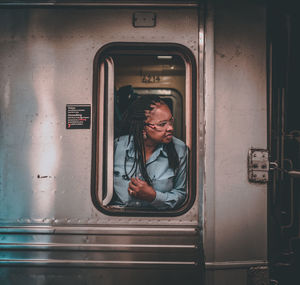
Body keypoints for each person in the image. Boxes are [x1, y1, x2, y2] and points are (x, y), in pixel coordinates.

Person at [112, 95, 188, 210]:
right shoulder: (117, 147)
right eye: (162, 124)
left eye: (170, 121)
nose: (170, 128)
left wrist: (153, 197)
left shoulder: (179, 149)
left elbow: (182, 195)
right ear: (143, 128)